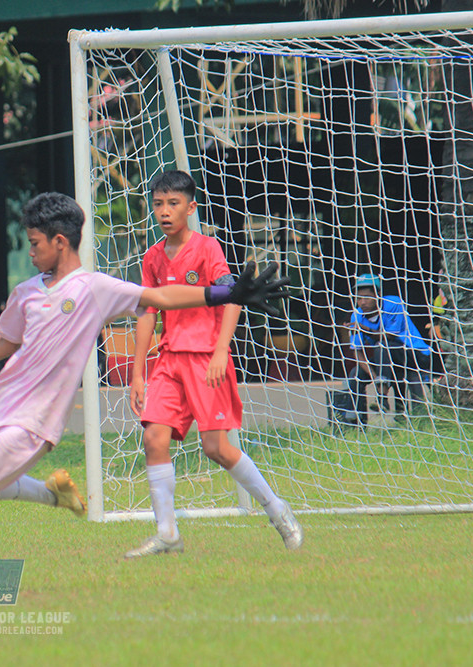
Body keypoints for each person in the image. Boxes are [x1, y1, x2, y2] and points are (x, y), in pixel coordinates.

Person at [0, 191, 289, 602]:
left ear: (59, 241)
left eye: (35, 244)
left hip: (35, 422)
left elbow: (160, 298)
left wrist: (225, 293)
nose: (30, 252)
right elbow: (3, 344)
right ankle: (54, 495)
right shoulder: (27, 292)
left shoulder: (94, 289)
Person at [126, 170, 302, 559]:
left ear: (190, 207)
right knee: (153, 439)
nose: (165, 211)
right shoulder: (152, 257)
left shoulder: (208, 248)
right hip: (169, 361)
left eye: (173, 204)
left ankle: (277, 510)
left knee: (216, 448)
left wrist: (222, 350)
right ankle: (167, 533)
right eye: (158, 204)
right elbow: (147, 313)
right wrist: (138, 373)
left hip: (207, 358)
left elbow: (234, 295)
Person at [342, 273, 431, 423]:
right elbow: (357, 352)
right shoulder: (356, 316)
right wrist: (374, 376)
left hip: (414, 354)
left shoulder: (393, 304)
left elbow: (388, 336)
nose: (362, 302)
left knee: (382, 346)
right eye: (358, 298)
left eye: (367, 297)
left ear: (378, 295)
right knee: (355, 373)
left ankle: (382, 397)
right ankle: (356, 422)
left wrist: (365, 329)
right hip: (385, 359)